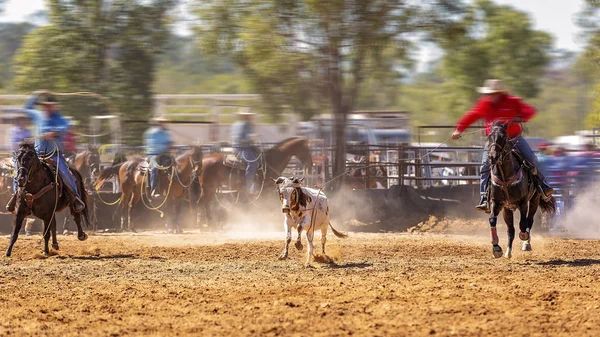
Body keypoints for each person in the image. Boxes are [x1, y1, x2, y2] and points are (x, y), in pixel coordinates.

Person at [451, 79, 554, 213]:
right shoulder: (484, 103)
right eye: (490, 93)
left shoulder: (512, 101)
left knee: (531, 158)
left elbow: (530, 111)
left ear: (500, 93)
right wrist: (459, 129)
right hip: (494, 140)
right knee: (485, 166)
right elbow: (472, 115)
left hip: (513, 138)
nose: (491, 96)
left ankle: (543, 186)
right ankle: (484, 198)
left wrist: (519, 117)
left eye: (494, 93)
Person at [5, 92, 86, 213]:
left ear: (54, 106)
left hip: (54, 154)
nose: (47, 108)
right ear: (42, 106)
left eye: (49, 105)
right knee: (20, 171)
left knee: (66, 174)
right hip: (37, 154)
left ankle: (75, 198)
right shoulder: (38, 115)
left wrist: (54, 132)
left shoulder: (58, 118)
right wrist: (36, 95)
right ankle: (16, 197)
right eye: (45, 105)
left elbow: (66, 126)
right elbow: (26, 108)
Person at [143, 116, 173, 199]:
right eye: (162, 122)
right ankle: (154, 189)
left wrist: (170, 144)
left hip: (164, 155)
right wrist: (165, 147)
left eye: (165, 122)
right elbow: (153, 145)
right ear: (159, 123)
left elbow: (169, 143)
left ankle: (175, 186)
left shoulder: (167, 133)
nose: (164, 124)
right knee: (155, 168)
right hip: (153, 154)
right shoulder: (152, 133)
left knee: (175, 164)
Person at [231, 111, 259, 193]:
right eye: (248, 116)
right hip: (241, 149)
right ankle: (248, 186)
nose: (249, 117)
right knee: (252, 163)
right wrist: (251, 137)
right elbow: (239, 138)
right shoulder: (244, 125)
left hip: (241, 147)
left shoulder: (238, 124)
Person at [6, 112, 33, 194]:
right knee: (18, 172)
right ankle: (16, 193)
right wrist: (24, 141)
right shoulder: (13, 131)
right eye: (21, 120)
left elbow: (31, 142)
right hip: (17, 155)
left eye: (24, 120)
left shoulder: (28, 131)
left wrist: (28, 142)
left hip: (27, 155)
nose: (23, 122)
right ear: (18, 121)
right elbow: (14, 144)